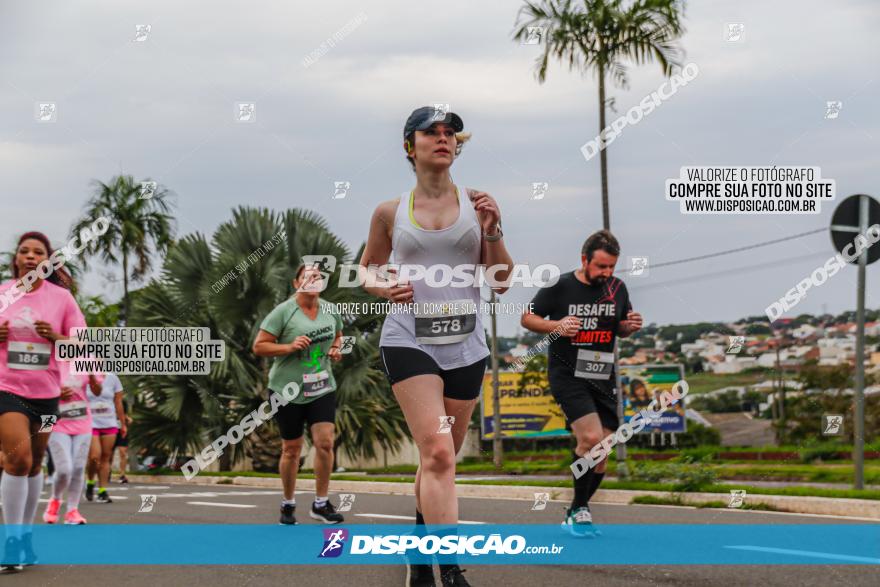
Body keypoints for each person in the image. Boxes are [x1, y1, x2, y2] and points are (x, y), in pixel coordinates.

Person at [359, 106, 513, 587]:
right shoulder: (390, 211)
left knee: (437, 460)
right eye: (432, 133)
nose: (443, 139)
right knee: (441, 455)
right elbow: (366, 268)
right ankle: (451, 572)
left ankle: (419, 555)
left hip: (465, 346)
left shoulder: (478, 203)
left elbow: (501, 282)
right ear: (411, 146)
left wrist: (492, 228)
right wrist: (381, 288)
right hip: (409, 340)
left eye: (450, 133)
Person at [521, 230, 642, 537]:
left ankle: (576, 509)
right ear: (584, 259)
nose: (607, 273)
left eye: (612, 267)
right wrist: (556, 325)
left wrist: (630, 326)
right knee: (590, 438)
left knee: (603, 449)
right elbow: (527, 318)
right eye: (601, 266)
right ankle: (580, 511)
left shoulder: (618, 288)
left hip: (602, 373)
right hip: (568, 373)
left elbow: (621, 327)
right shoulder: (560, 285)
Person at [0, 231, 86, 572]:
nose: (31, 256)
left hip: (48, 396)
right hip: (7, 389)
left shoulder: (62, 300)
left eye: (38, 252)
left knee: (35, 463)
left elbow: (80, 345)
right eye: (25, 251)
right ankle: (11, 539)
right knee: (17, 459)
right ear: (17, 259)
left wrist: (56, 337)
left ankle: (25, 536)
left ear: (48, 261)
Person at [252, 264, 345, 526]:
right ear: (297, 283)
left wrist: (336, 350)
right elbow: (259, 346)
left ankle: (321, 503)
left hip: (322, 386)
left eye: (317, 276)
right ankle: (288, 501)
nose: (314, 279)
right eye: (308, 276)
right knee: (291, 449)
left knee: (325, 442)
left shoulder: (330, 310)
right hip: (286, 389)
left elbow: (339, 336)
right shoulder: (283, 312)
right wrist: (289, 346)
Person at [43, 363, 98, 525]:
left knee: (79, 467)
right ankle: (55, 500)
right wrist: (56, 393)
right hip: (55, 420)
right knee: (64, 469)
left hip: (82, 420)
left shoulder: (87, 359)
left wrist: (93, 376)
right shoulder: (51, 357)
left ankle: (72, 511)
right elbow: (36, 387)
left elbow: (97, 391)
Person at [85, 371, 125, 503]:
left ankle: (102, 491)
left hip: (109, 422)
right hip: (90, 423)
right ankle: (90, 482)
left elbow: (118, 402)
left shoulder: (113, 378)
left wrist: (123, 424)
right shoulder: (84, 376)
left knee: (106, 457)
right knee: (94, 456)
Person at [113, 398, 132, 484]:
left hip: (122, 432)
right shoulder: (108, 401)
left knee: (123, 453)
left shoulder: (123, 401)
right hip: (111, 432)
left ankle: (122, 475)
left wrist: (127, 419)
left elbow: (126, 416)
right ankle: (107, 472)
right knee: (109, 455)